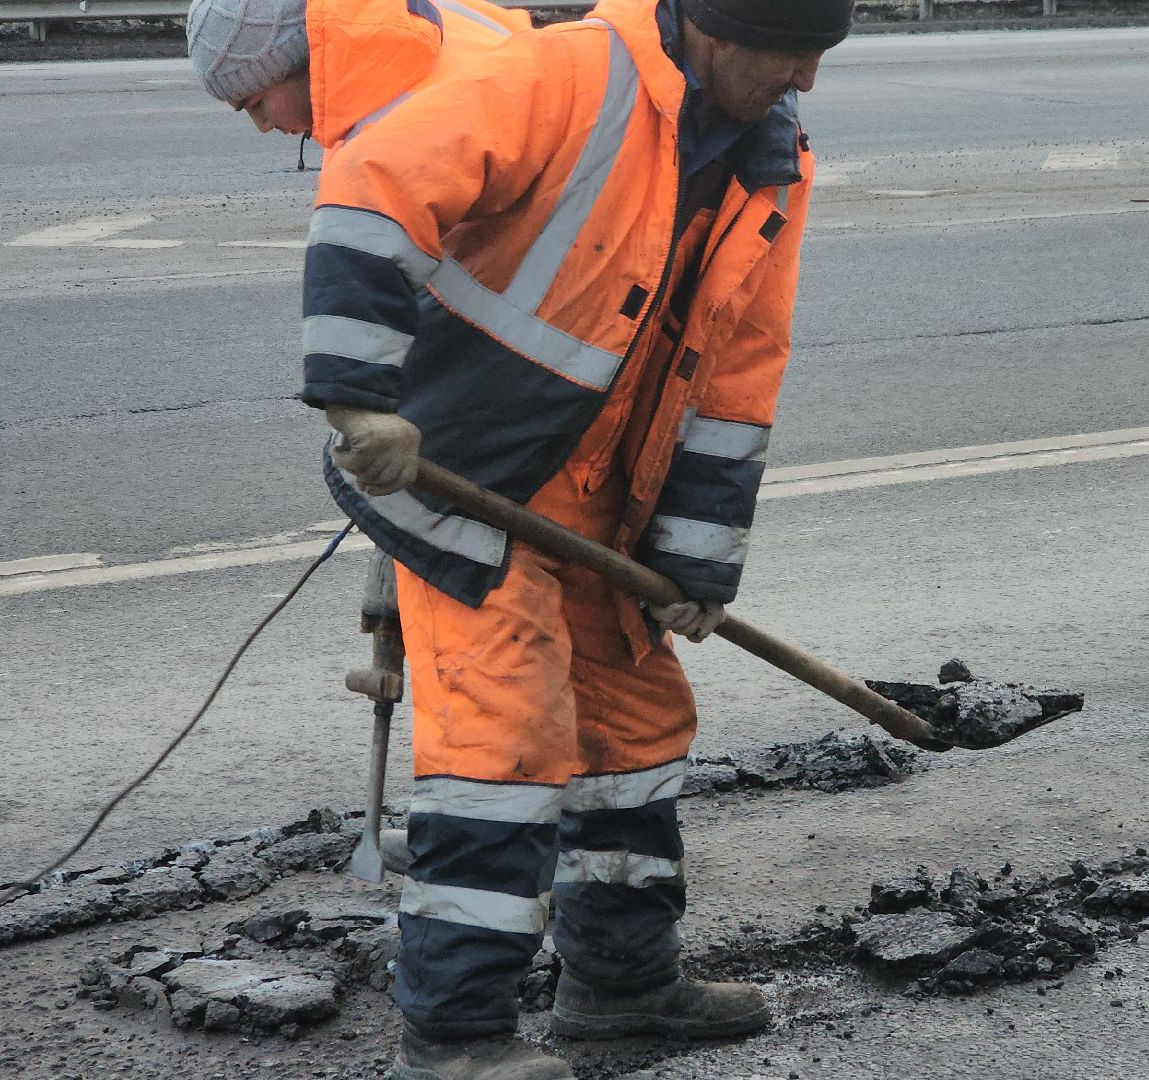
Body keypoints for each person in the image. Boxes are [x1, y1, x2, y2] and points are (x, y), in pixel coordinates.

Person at [298, 0, 853, 1072]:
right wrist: (354, 393)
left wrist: (693, 559)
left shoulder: (773, 162)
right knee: (501, 747)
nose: (807, 83)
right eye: (791, 55)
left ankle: (623, 991)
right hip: (465, 476)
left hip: (604, 501)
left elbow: (737, 375)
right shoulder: (564, 77)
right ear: (719, 28)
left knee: (635, 737)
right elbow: (376, 187)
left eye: (823, 56)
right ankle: (456, 1043)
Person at [185, 0, 530, 147]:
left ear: (297, 58)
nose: (262, 126)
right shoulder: (436, 14)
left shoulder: (380, 141)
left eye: (256, 104)